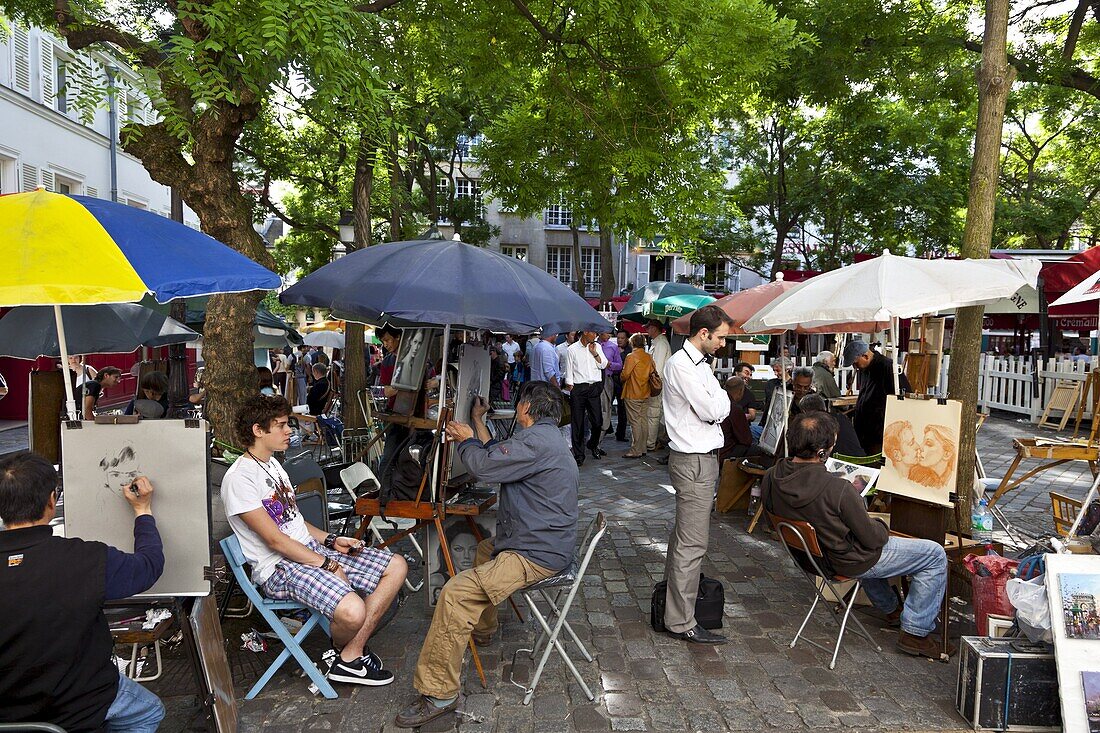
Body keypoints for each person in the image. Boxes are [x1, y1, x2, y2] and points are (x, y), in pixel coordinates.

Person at [396, 381, 578, 728]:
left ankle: (439, 694)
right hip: (543, 542)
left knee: (456, 594)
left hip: (535, 553)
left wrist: (465, 438)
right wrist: (478, 422)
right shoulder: (546, 438)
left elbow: (486, 466)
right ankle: (484, 629)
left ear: (526, 408)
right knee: (484, 549)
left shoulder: (536, 441)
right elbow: (498, 452)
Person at [223, 395, 407, 687]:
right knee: (352, 610)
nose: (289, 432)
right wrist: (329, 564)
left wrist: (332, 540)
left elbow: (294, 522)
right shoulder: (239, 479)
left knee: (396, 565)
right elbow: (276, 540)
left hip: (310, 551)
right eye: (281, 426)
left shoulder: (272, 464)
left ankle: (349, 656)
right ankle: (348, 656)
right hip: (280, 567)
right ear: (258, 430)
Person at [760, 412, 949, 659]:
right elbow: (873, 539)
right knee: (934, 554)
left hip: (810, 559)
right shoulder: (838, 488)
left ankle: (892, 610)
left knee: (855, 543)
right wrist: (881, 524)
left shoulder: (772, 476)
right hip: (846, 561)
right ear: (822, 453)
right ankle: (915, 633)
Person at [0, 453, 166, 732]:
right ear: (52, 501)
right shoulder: (83, 558)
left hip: (7, 714)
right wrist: (143, 511)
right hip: (80, 706)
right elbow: (148, 567)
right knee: (149, 712)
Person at [661, 305, 735, 644]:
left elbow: (720, 403)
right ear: (703, 333)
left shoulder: (699, 364)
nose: (723, 344)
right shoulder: (681, 365)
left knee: (686, 540)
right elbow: (714, 409)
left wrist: (719, 401)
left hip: (701, 458)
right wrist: (719, 402)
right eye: (720, 337)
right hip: (693, 460)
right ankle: (680, 621)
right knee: (692, 543)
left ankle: (676, 613)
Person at [843, 340, 908, 455]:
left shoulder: (888, 367)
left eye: (856, 363)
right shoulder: (865, 369)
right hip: (866, 431)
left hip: (879, 432)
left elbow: (903, 397)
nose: (855, 367)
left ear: (865, 356)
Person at [564, 330, 608, 465]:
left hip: (594, 387)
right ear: (585, 333)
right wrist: (570, 385)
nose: (596, 336)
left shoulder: (597, 346)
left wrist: (594, 353)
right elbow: (569, 368)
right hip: (578, 388)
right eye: (594, 333)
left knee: (597, 422)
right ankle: (579, 455)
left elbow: (603, 364)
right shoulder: (572, 349)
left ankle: (592, 444)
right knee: (578, 423)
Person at [620, 333, 654, 458]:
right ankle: (643, 448)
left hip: (633, 392)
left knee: (635, 422)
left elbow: (625, 375)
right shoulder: (648, 357)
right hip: (645, 392)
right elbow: (652, 372)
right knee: (643, 420)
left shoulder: (631, 357)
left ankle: (636, 450)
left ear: (632, 343)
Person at [798, 394, 864, 457]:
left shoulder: (815, 426)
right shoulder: (841, 417)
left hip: (839, 463)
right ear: (824, 408)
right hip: (862, 459)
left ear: (804, 412)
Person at [719, 377, 765, 463]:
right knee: (757, 448)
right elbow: (746, 440)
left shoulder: (718, 403)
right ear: (741, 391)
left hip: (716, 449)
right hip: (726, 453)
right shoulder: (735, 409)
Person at [645, 320, 672, 452]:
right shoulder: (658, 342)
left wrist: (653, 382)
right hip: (658, 383)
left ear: (654, 328)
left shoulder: (660, 343)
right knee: (656, 413)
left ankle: (651, 442)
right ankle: (655, 439)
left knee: (653, 413)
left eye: (649, 328)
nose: (647, 331)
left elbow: (658, 368)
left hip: (657, 384)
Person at [909, 425, 958, 489]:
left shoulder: (953, 482)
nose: (920, 447)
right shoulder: (915, 474)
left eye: (928, 444)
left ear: (947, 454)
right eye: (923, 442)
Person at [599, 332, 623, 436]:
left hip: (607, 380)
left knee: (605, 408)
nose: (609, 336)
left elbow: (619, 365)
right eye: (607, 333)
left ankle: (598, 440)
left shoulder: (613, 347)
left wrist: (610, 364)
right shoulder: (592, 345)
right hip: (593, 380)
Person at [614, 331, 632, 442]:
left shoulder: (629, 351)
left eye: (622, 338)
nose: (619, 340)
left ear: (627, 339)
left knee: (622, 410)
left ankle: (620, 434)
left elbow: (625, 366)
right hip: (612, 380)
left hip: (623, 383)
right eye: (618, 338)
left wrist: (620, 354)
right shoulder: (614, 348)